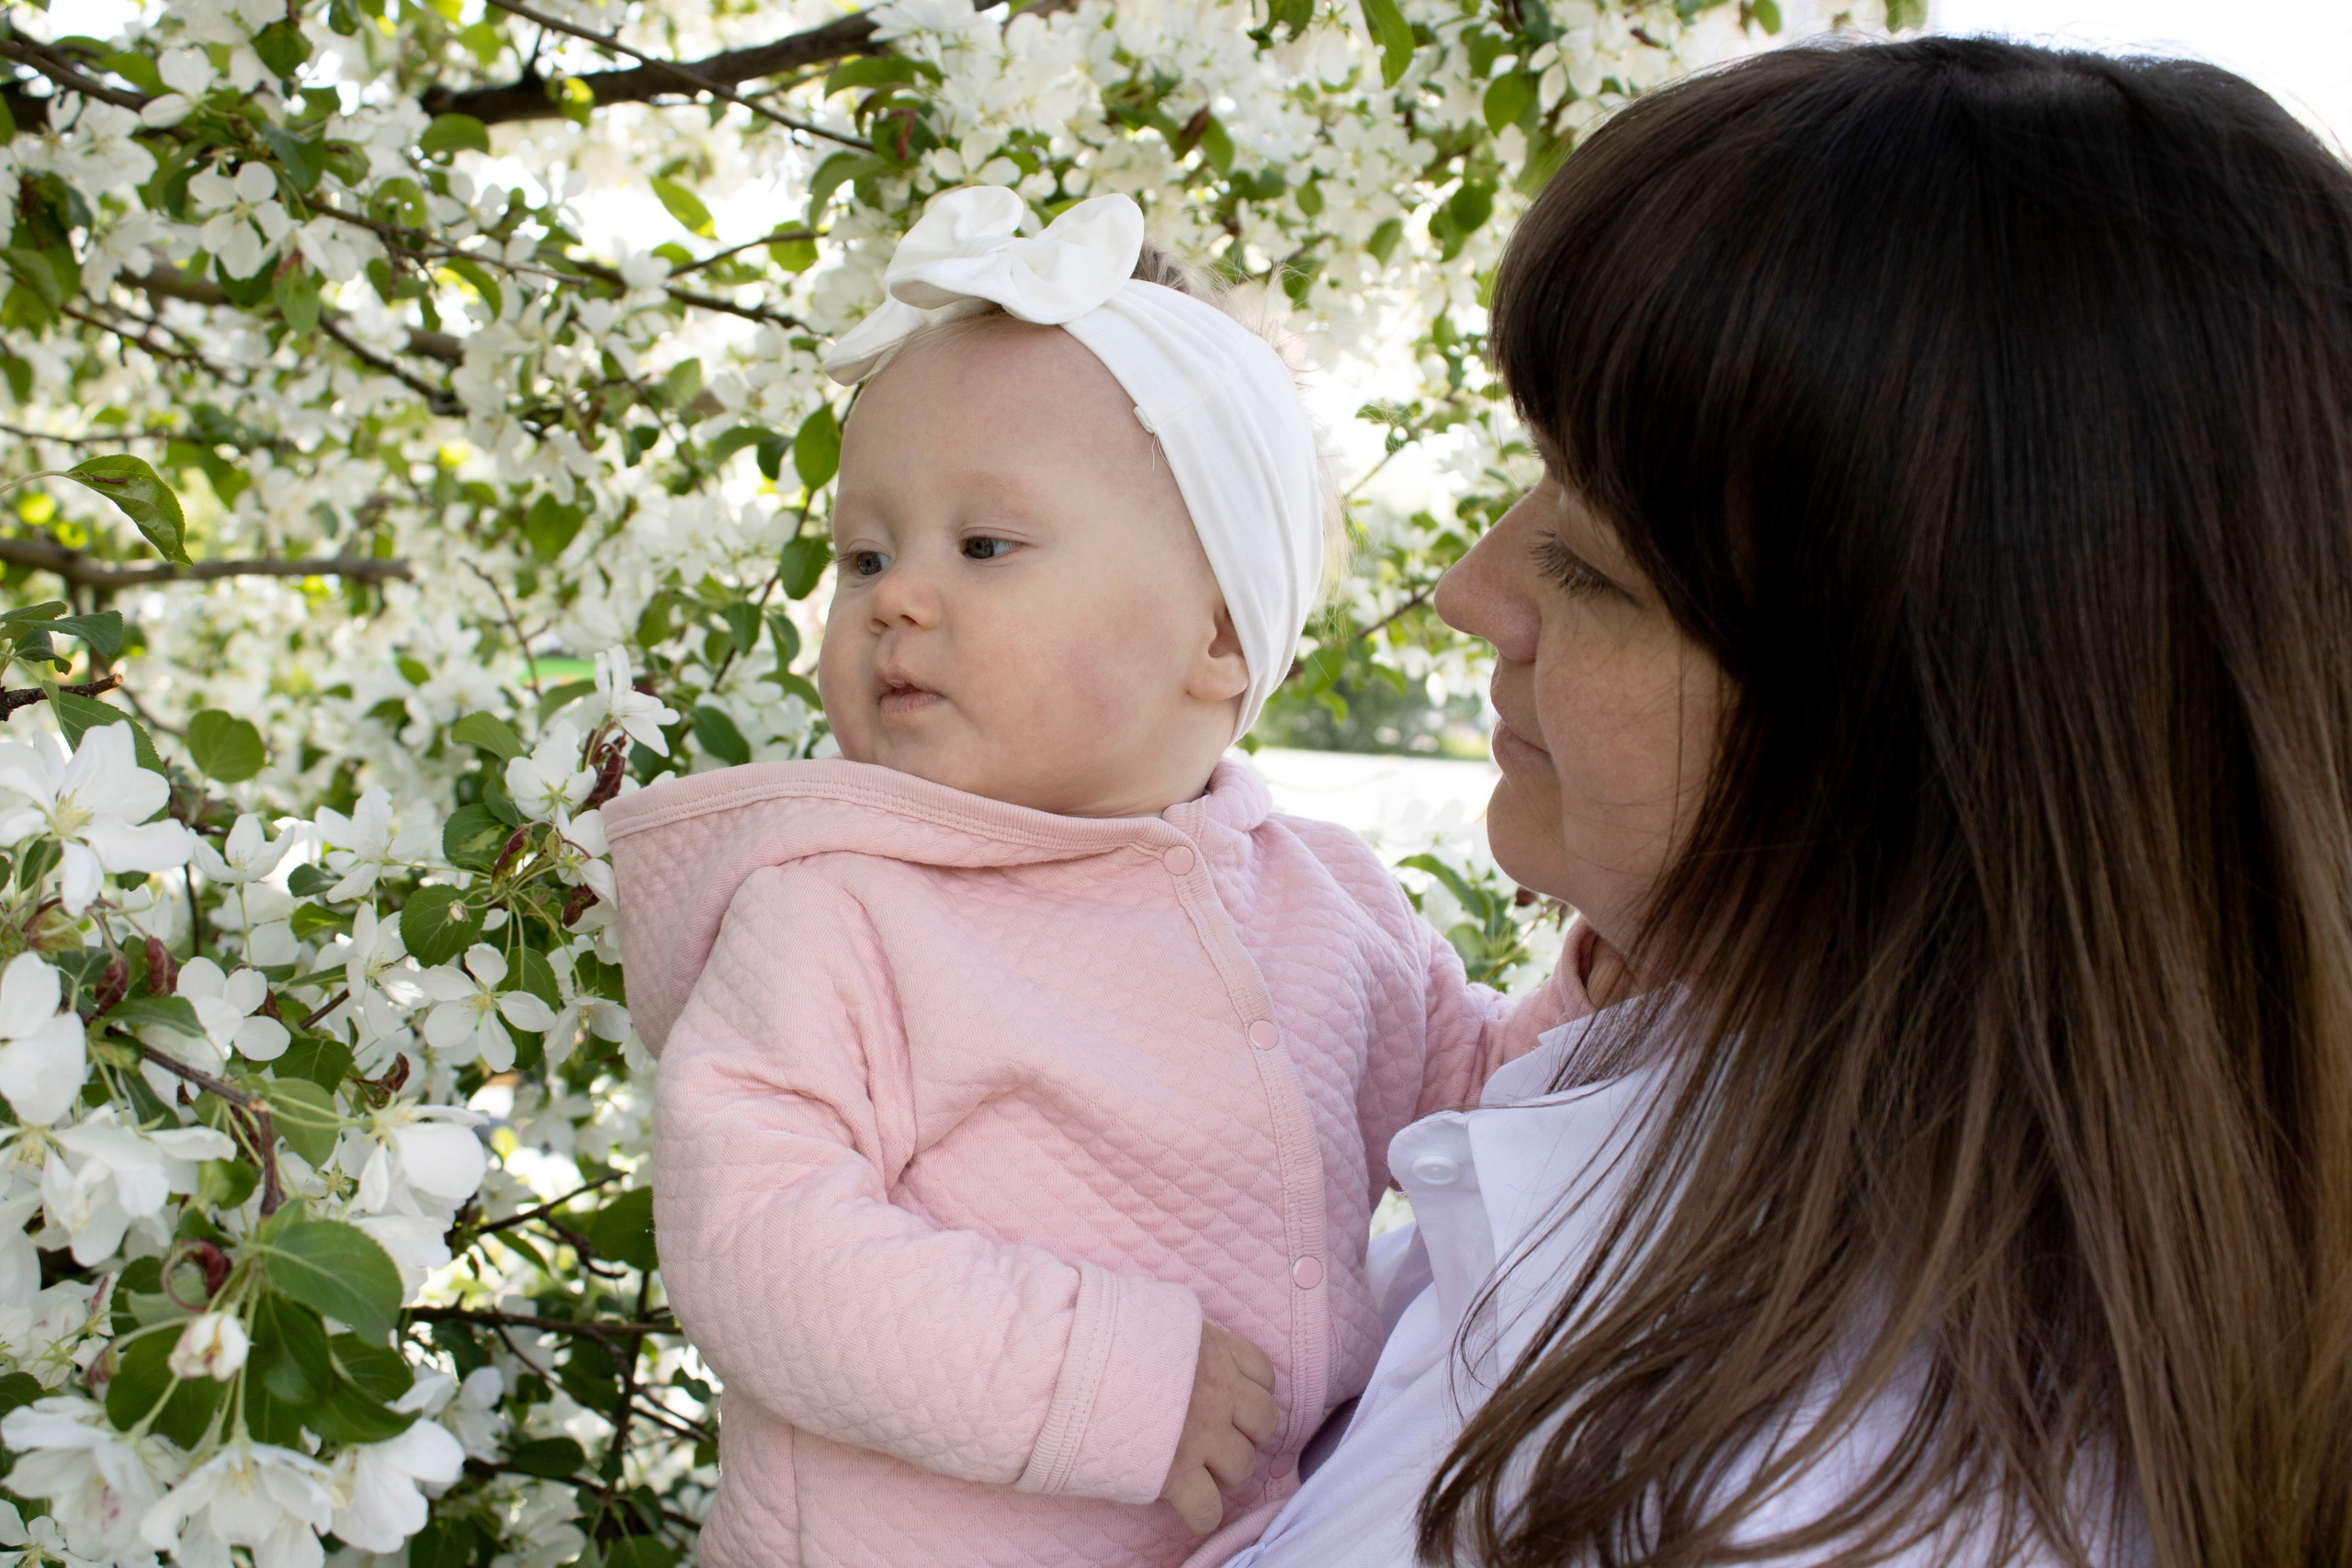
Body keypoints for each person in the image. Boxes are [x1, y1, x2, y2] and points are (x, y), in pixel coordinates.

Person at [1229, 37, 2352, 1568]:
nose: (1469, 591)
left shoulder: (1813, 1500)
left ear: (1938, 729)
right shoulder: (1710, 1098)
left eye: (1594, 566)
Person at [602, 186, 1577, 1568]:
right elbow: (755, 1240)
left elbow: (1475, 1099)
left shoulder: (1329, 901)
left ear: (1223, 634)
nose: (895, 596)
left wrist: (1612, 974)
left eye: (982, 546)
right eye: (863, 554)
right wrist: (1099, 1376)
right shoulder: (842, 910)